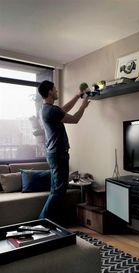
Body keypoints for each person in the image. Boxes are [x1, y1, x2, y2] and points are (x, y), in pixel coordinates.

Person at [37, 80, 90, 225]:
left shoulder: (46, 109)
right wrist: (83, 106)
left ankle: (52, 222)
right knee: (58, 191)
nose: (57, 91)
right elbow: (74, 119)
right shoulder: (51, 110)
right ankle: (42, 222)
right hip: (58, 154)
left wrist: (77, 96)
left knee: (57, 190)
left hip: (55, 153)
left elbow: (63, 109)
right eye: (54, 89)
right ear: (49, 92)